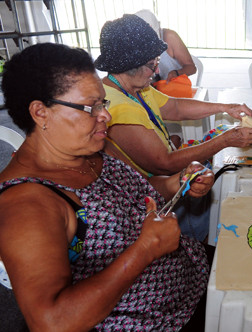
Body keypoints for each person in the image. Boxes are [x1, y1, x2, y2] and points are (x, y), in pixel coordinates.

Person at [0, 42, 215, 331]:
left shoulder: (84, 150)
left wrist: (179, 182)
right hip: (162, 320)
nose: (106, 116)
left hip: (193, 272)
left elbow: (133, 192)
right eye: (91, 107)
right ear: (40, 113)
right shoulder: (27, 204)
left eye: (104, 103)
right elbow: (51, 322)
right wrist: (146, 248)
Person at [95, 14, 252, 242]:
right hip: (161, 193)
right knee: (196, 234)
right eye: (152, 64)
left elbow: (175, 108)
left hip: (171, 172)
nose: (156, 71)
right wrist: (224, 140)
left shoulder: (133, 87)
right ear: (129, 65)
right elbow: (165, 163)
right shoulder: (118, 108)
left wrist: (224, 107)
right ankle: (196, 247)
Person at [135, 9, 196, 82]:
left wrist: (176, 73)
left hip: (174, 86)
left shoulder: (170, 37)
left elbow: (192, 68)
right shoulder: (134, 43)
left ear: (159, 26)